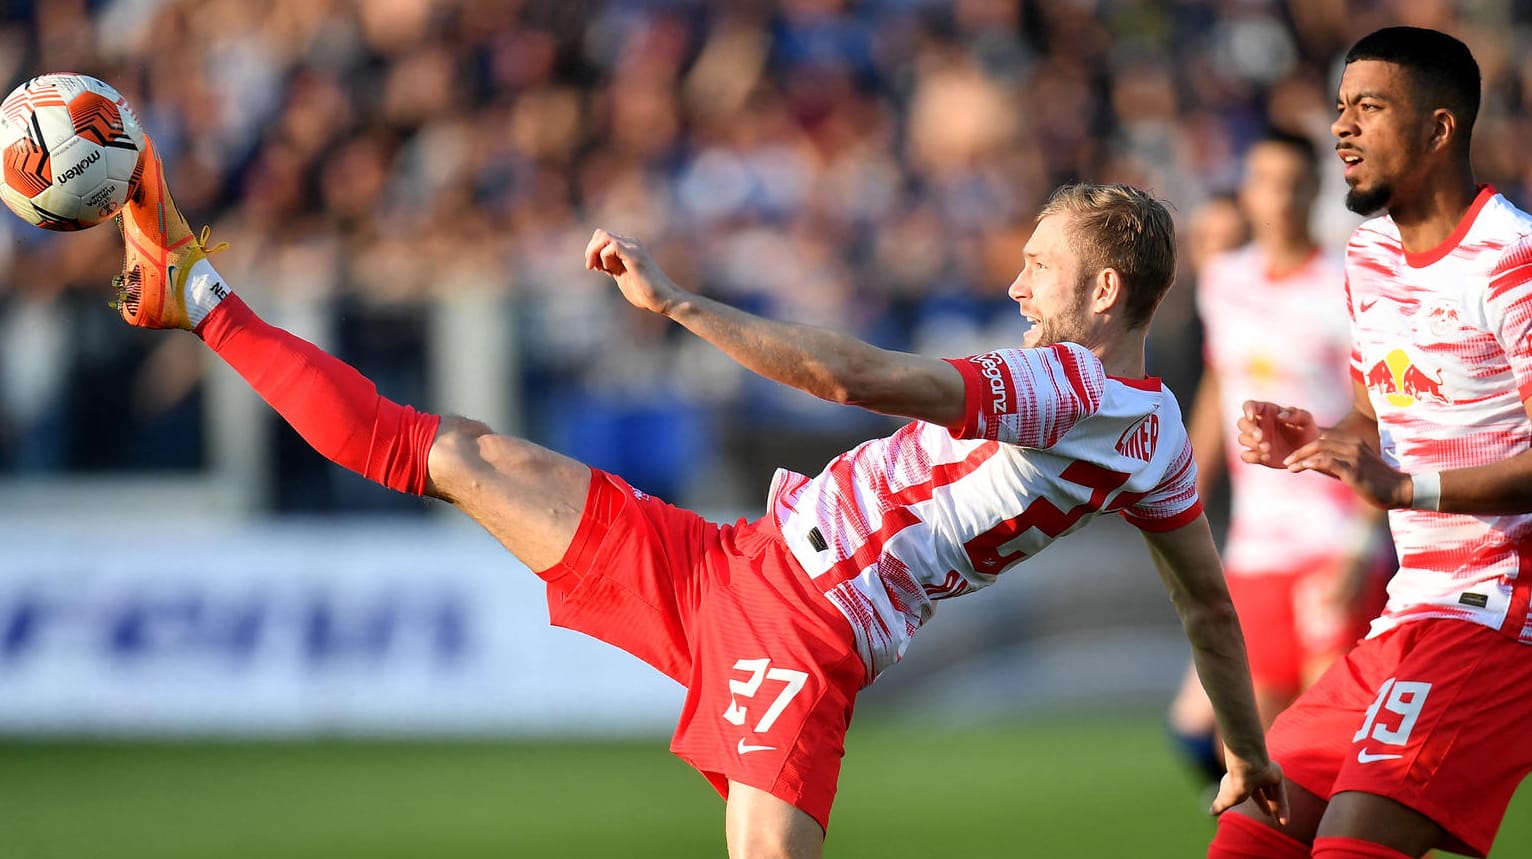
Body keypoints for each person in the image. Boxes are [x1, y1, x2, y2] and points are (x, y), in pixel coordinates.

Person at [109, 133, 1285, 856]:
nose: (1015, 278)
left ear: (1105, 290)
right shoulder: (1158, 446)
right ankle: (200, 295)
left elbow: (850, 375)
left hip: (804, 624)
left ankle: (202, 298)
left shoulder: (1064, 381)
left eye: (1040, 263)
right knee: (452, 451)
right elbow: (1206, 611)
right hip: (733, 561)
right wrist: (1241, 749)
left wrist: (677, 305)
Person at [1208, 26, 1532, 859]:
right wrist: (1316, 437)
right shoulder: (1370, 255)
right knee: (1249, 832)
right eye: (1340, 108)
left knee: (1351, 849)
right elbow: (1372, 411)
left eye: (1371, 107)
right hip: (1412, 608)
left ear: (1438, 128)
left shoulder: (1513, 260)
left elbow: (1407, 472)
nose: (1343, 128)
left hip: (1503, 612)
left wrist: (1404, 487)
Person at [1167, 130, 1392, 789]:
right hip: (1256, 546)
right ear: (1248, 192)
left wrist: (1361, 539)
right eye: (1268, 181)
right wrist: (1183, 483)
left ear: (1317, 190)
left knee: (1329, 745)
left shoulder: (1344, 286)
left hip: (1332, 536)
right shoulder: (1225, 282)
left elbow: (1378, 419)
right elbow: (1220, 384)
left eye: (1295, 183)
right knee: (1259, 755)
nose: (1281, 197)